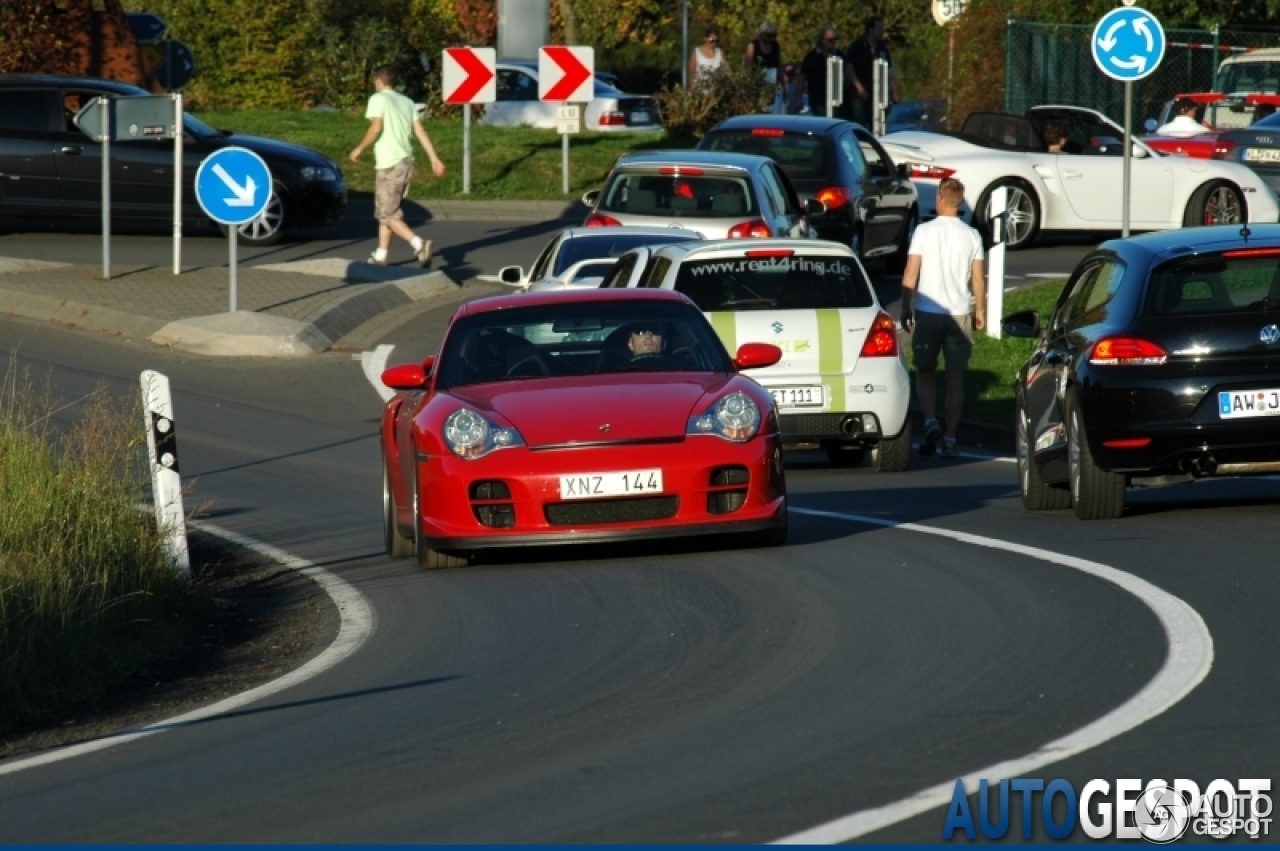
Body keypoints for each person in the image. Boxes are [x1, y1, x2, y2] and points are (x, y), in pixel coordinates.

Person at [898, 178, 986, 459]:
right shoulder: (972, 235)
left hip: (928, 310)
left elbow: (911, 273)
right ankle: (950, 438)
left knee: (925, 372)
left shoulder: (924, 231)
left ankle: (929, 420)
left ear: (939, 198)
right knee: (955, 379)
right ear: (959, 201)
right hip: (959, 312)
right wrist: (980, 310)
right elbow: (977, 278)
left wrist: (905, 307)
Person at [350, 65, 446, 267]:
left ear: (378, 81)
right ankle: (381, 254)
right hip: (406, 162)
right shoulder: (406, 102)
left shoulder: (378, 99)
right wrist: (434, 158)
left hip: (389, 162)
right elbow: (420, 131)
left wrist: (359, 148)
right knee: (390, 211)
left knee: (386, 213)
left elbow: (376, 127)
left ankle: (419, 243)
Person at [844, 16, 900, 128]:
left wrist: (894, 91)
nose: (881, 32)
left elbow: (889, 70)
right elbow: (849, 68)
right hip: (859, 94)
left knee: (877, 124)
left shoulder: (882, 48)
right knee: (859, 122)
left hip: (878, 94)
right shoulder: (857, 46)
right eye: (879, 29)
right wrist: (859, 88)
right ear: (870, 29)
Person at [795, 26, 840, 117]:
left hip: (838, 101)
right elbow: (802, 77)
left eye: (835, 39)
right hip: (819, 100)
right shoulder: (812, 57)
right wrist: (798, 98)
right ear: (822, 41)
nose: (834, 42)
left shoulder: (839, 55)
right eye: (830, 40)